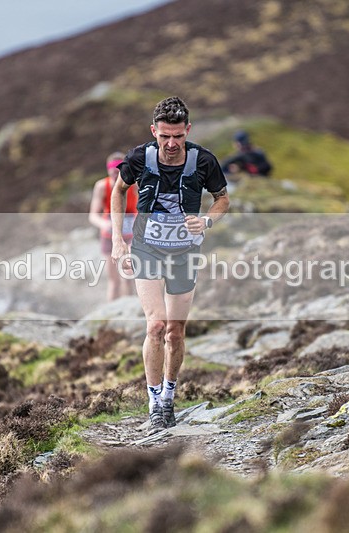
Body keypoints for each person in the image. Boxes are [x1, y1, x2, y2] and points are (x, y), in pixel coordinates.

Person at [110, 96, 230, 434]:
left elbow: (223, 199)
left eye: (178, 136)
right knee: (156, 326)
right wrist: (120, 239)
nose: (172, 144)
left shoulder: (203, 161)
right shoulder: (139, 158)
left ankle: (169, 398)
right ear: (154, 131)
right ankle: (153, 403)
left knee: (176, 332)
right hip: (147, 248)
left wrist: (206, 221)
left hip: (185, 253)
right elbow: (118, 192)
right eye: (165, 136)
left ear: (188, 130)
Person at [88, 152, 138, 301]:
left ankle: (129, 311)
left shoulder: (135, 185)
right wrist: (105, 223)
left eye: (119, 174)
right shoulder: (102, 186)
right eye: (113, 174)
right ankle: (110, 315)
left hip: (131, 236)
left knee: (128, 276)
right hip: (109, 236)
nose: (116, 178)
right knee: (114, 281)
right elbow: (93, 215)